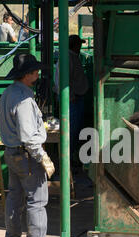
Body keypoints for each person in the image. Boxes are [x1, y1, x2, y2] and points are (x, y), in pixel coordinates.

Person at [0, 53, 58, 237]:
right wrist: (41, 156)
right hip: (27, 155)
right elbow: (27, 134)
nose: (38, 74)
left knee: (14, 199)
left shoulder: (8, 93)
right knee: (37, 201)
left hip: (12, 152)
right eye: (35, 71)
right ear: (27, 75)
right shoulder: (24, 99)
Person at [54, 34, 89, 166]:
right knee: (72, 130)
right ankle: (66, 160)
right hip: (72, 99)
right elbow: (63, 79)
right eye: (79, 44)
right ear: (74, 45)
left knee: (74, 129)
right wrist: (70, 96)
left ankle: (69, 158)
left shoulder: (71, 57)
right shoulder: (68, 58)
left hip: (75, 98)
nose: (80, 47)